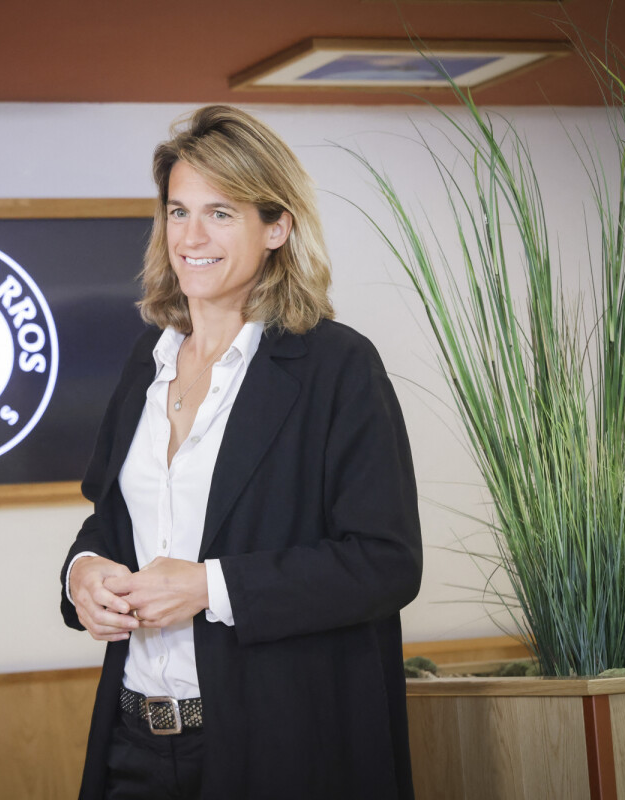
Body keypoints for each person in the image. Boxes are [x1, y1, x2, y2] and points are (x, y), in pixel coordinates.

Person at [60, 105, 422, 800]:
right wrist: (83, 574)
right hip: (133, 744)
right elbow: (112, 520)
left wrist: (208, 588)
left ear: (277, 227)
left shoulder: (335, 366)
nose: (191, 236)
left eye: (221, 214)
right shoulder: (149, 360)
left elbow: (387, 562)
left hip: (274, 746)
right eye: (178, 211)